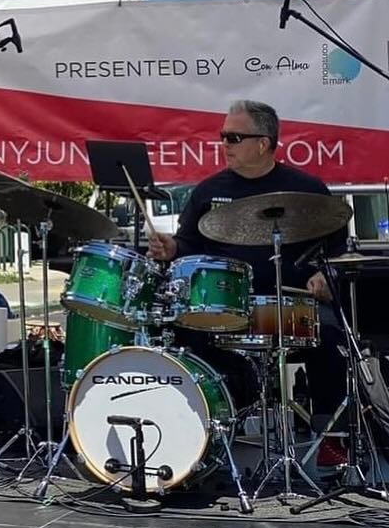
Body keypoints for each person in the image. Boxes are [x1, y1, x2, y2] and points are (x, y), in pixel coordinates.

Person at [148, 99, 348, 467]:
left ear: (264, 142)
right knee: (181, 338)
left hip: (292, 306)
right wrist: (172, 248)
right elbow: (190, 244)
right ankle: (204, 437)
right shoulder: (209, 191)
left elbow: (336, 249)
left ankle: (331, 440)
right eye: (223, 137)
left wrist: (326, 273)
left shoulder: (306, 189)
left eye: (234, 137)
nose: (225, 144)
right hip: (227, 308)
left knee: (334, 341)